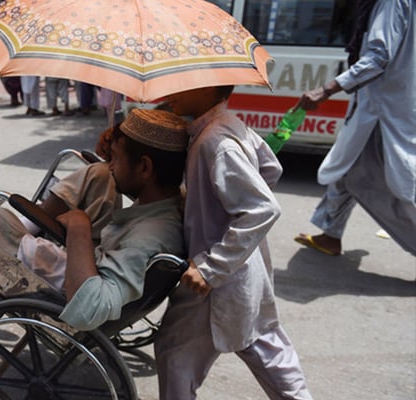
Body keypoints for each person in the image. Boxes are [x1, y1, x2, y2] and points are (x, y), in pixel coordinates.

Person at [0, 108, 187, 331]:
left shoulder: (149, 236)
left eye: (117, 159)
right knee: (97, 176)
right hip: (88, 267)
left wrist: (79, 229)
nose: (112, 165)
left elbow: (89, 310)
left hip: (66, 296)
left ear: (145, 168)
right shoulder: (167, 208)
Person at [153, 85, 312, 399]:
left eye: (185, 84)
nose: (172, 91)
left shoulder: (215, 140)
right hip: (243, 264)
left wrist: (212, 268)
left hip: (214, 278)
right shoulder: (226, 123)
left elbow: (263, 207)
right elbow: (269, 168)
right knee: (268, 348)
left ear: (210, 88)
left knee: (175, 352)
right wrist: (221, 203)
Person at [294, 0, 415, 257]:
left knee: (403, 185)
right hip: (378, 106)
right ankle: (331, 234)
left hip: (385, 110)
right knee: (344, 168)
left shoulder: (392, 3)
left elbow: (378, 58)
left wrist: (325, 90)